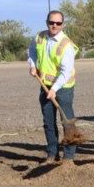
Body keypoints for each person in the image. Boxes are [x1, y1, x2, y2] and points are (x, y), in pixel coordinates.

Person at [28, 10, 78, 166]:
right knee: (48, 121)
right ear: (47, 22)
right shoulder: (39, 37)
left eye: (58, 23)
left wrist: (54, 89)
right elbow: (31, 51)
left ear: (62, 24)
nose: (54, 25)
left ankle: (69, 157)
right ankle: (52, 154)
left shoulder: (66, 45)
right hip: (45, 85)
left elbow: (66, 72)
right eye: (51, 22)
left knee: (67, 121)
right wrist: (32, 65)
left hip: (63, 88)